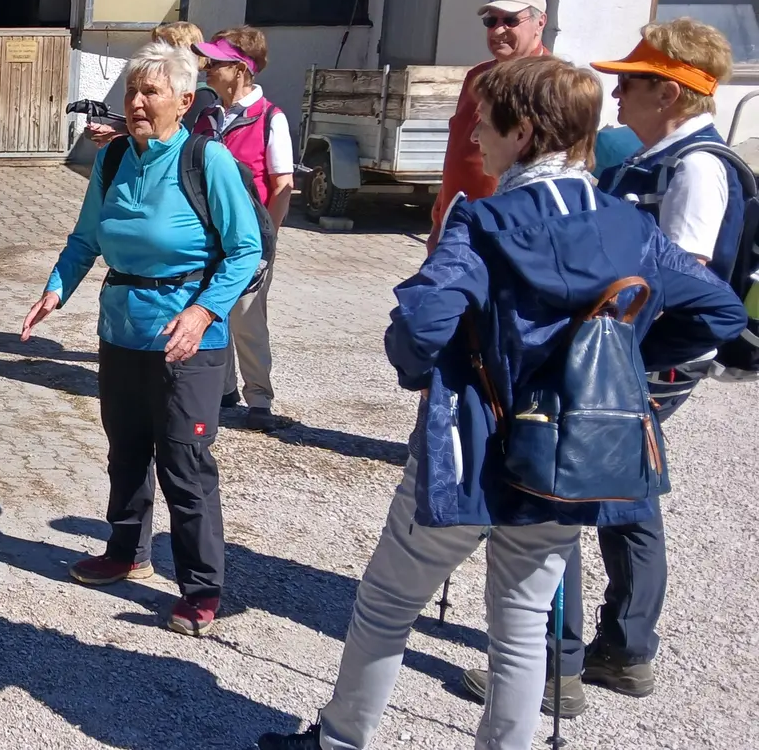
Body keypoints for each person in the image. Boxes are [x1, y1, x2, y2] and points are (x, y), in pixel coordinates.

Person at [258, 56, 745, 750]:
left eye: (485, 124)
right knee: (520, 623)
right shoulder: (628, 226)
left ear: (523, 133)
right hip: (568, 457)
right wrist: (619, 364)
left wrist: (418, 368)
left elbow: (421, 324)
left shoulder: (484, 222)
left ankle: (339, 739)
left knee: (389, 602)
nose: (473, 137)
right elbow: (720, 313)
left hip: (474, 445)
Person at [458, 18, 748, 713]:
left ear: (669, 93)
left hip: (628, 359)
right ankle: (621, 649)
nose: (616, 95)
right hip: (623, 356)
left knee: (562, 480)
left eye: (631, 82)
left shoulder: (694, 169)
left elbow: (677, 284)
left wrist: (619, 359)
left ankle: (555, 668)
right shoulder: (658, 160)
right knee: (622, 489)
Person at [21, 41, 263, 637]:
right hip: (121, 329)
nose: (136, 102)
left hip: (188, 340)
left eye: (150, 91)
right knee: (126, 450)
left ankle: (202, 589)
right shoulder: (111, 161)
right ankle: (126, 552)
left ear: (183, 101)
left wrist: (203, 312)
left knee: (184, 463)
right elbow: (85, 240)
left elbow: (245, 250)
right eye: (132, 90)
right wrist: (56, 289)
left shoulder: (207, 161)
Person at [192, 26, 294, 430]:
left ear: (240, 69)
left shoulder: (270, 118)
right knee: (213, 309)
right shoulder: (207, 116)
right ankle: (224, 390)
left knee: (247, 318)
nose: (206, 67)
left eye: (215, 62)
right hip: (209, 235)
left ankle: (259, 401)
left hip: (250, 240)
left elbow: (283, 186)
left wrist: (267, 241)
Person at [429, 0, 554, 247]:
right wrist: (439, 219)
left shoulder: (551, 83)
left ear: (540, 22)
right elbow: (458, 151)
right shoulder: (477, 77)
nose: (498, 30)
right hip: (455, 228)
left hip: (504, 233)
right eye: (491, 21)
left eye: (510, 20)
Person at [83, 22, 217, 151]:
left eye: (162, 44)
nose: (155, 51)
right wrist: (119, 129)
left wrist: (123, 135)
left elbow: (174, 139)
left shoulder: (202, 95)